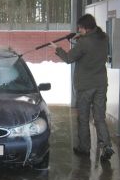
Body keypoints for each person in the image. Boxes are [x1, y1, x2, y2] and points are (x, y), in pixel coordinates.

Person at [49, 13, 115, 162]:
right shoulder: (103, 38)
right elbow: (89, 49)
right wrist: (80, 40)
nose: (78, 29)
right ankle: (106, 146)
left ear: (85, 27)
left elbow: (68, 58)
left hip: (85, 86)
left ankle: (84, 148)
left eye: (80, 27)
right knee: (99, 117)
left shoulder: (84, 43)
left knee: (83, 118)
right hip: (100, 84)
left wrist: (58, 48)